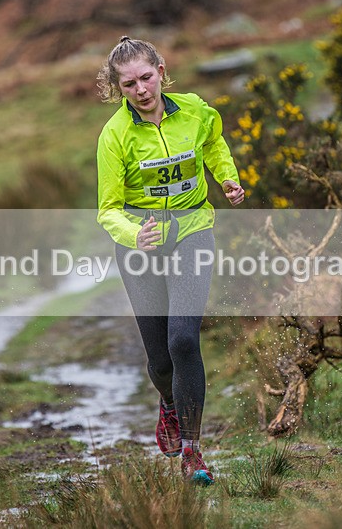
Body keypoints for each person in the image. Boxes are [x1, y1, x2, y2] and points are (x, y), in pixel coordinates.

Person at [96, 36, 245, 486]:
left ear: (161, 70)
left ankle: (192, 450)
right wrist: (133, 235)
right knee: (161, 360)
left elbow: (214, 143)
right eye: (128, 84)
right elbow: (108, 209)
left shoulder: (196, 109)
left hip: (191, 231)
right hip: (139, 244)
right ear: (117, 89)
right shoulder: (114, 136)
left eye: (146, 77)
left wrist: (228, 179)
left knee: (183, 340)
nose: (141, 89)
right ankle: (168, 403)